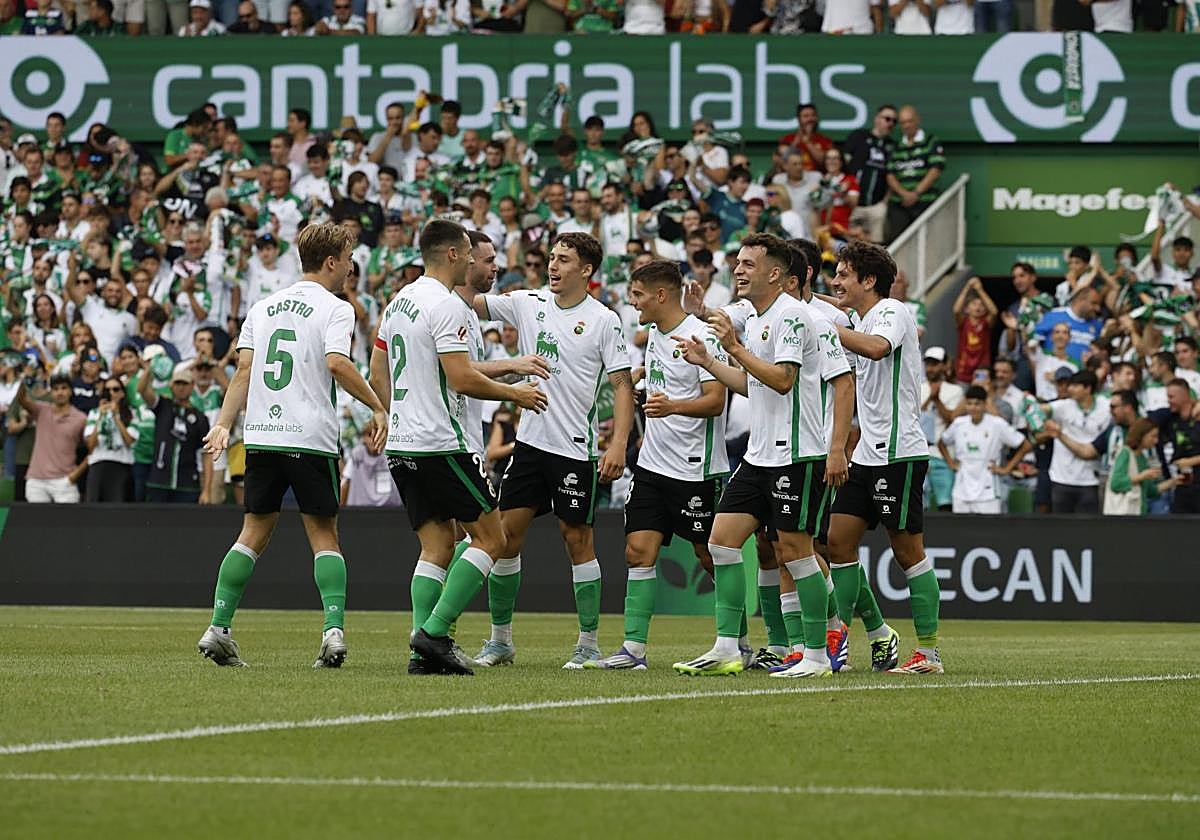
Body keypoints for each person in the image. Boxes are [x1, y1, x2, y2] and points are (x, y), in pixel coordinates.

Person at [197, 223, 388, 669]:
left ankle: (218, 627)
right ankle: (334, 632)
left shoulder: (263, 307)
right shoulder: (336, 308)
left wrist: (225, 423)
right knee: (323, 535)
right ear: (330, 262)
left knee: (252, 531)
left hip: (262, 434)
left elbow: (243, 372)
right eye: (347, 259)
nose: (350, 267)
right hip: (310, 437)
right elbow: (337, 363)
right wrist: (378, 406)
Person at [371, 219, 547, 676]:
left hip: (405, 442)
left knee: (436, 547)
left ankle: (421, 653)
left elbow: (377, 367)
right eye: (469, 252)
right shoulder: (447, 306)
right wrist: (517, 393)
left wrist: (392, 415)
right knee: (492, 538)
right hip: (443, 443)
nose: (472, 260)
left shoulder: (399, 302)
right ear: (452, 254)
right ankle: (434, 632)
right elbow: (463, 377)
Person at [672, 233, 834, 678]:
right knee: (721, 541)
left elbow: (782, 380)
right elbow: (752, 385)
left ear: (775, 273)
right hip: (760, 454)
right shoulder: (761, 319)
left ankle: (817, 655)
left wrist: (734, 348)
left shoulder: (793, 317)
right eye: (737, 262)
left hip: (797, 453)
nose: (738, 270)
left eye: (747, 263)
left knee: (797, 554)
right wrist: (708, 361)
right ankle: (728, 647)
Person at [469, 232, 633, 670]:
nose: (554, 267)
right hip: (529, 446)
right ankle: (500, 641)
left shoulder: (604, 319)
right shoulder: (528, 302)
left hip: (574, 450)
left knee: (577, 539)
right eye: (553, 258)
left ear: (587, 271)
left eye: (564, 260)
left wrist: (618, 443)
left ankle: (588, 643)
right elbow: (474, 301)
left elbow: (622, 384)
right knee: (505, 539)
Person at [587, 259, 728, 671]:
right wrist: (637, 376)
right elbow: (660, 373)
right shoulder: (653, 333)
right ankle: (634, 650)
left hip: (695, 468)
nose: (633, 304)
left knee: (710, 555)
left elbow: (716, 400)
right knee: (637, 551)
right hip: (652, 466)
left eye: (638, 295)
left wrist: (673, 406)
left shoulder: (700, 336)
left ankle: (735, 641)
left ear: (661, 295)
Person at [827, 241, 942, 675]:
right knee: (837, 542)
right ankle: (843, 638)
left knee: (907, 550)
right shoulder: (860, 317)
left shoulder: (892, 312)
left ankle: (928, 654)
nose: (836, 282)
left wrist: (826, 328)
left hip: (900, 453)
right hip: (867, 455)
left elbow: (876, 348)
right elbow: (823, 308)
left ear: (869, 280)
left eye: (843, 275)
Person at [939, 385, 1031, 514]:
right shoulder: (959, 423)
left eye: (977, 404)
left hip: (988, 490)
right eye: (969, 403)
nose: (973, 408)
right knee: (960, 531)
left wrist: (1006, 469)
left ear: (984, 404)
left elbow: (1025, 445)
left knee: (990, 531)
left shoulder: (997, 424)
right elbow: (942, 443)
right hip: (961, 488)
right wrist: (951, 463)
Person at [1042, 371, 1111, 514]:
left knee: (1087, 529)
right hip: (1061, 478)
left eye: (1075, 386)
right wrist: (1031, 404)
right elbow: (1041, 409)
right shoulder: (1063, 406)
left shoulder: (1106, 407)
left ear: (1088, 389)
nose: (1069, 389)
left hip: (1090, 480)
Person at [16, 375, 87, 504]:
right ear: (51, 392)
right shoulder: (41, 410)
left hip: (65, 481)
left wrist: (74, 476)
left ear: (71, 391)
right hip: (37, 480)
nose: (60, 392)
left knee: (68, 523)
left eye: (64, 388)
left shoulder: (81, 418)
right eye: (55, 389)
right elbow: (22, 399)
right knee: (38, 523)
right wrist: (23, 379)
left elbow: (92, 449)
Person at [885, 105, 945, 242]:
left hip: (925, 201)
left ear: (918, 120)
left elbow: (936, 169)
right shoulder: (896, 145)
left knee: (927, 241)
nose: (906, 125)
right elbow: (890, 174)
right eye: (902, 122)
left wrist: (916, 193)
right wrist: (904, 194)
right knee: (897, 241)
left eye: (909, 121)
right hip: (899, 204)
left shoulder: (930, 141)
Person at [1104, 418, 1175, 516]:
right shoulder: (1125, 453)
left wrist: (1173, 481)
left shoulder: (1142, 458)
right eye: (1153, 436)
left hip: (1139, 513)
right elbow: (1116, 484)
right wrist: (1142, 476)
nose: (1156, 441)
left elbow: (1151, 491)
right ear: (1141, 435)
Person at [83, 377, 138, 502]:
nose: (111, 393)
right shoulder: (94, 413)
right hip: (98, 465)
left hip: (121, 465)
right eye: (107, 390)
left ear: (123, 393)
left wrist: (116, 417)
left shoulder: (132, 413)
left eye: (115, 389)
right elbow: (90, 446)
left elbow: (130, 442)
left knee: (118, 510)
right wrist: (100, 418)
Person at [952, 276, 998, 384]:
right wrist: (967, 287)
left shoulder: (985, 324)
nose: (978, 307)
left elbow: (994, 312)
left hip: (981, 369)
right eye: (974, 304)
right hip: (963, 369)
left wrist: (980, 289)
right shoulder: (963, 323)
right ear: (967, 309)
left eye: (982, 305)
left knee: (979, 398)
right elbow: (956, 310)